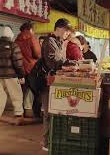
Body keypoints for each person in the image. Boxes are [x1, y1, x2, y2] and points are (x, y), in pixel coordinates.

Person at [40, 18, 74, 151]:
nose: (67, 35)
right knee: (48, 113)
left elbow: (60, 59)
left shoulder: (58, 42)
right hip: (47, 81)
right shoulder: (49, 41)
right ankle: (46, 143)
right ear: (59, 28)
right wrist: (68, 63)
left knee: (54, 111)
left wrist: (68, 62)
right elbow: (52, 61)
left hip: (54, 81)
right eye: (66, 31)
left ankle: (52, 140)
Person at [0, 26, 26, 127]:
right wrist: (21, 75)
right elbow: (18, 62)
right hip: (12, 75)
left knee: (0, 97)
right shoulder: (13, 46)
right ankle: (19, 117)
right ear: (10, 35)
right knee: (17, 96)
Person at [15, 23, 42, 118]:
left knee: (21, 93)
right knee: (37, 92)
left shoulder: (16, 41)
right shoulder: (32, 39)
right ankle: (37, 114)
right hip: (32, 70)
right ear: (29, 29)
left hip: (21, 70)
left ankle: (21, 113)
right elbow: (38, 54)